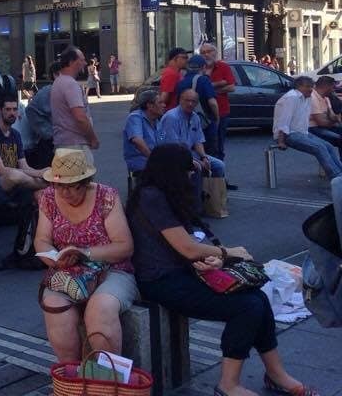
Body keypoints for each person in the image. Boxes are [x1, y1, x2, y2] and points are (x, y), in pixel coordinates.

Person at [126, 143, 319, 396]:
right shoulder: (152, 197)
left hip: (182, 271)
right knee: (246, 307)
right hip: (160, 281)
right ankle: (228, 385)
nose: (191, 176)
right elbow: (187, 248)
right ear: (173, 172)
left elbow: (192, 243)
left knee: (258, 298)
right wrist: (228, 253)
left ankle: (276, 374)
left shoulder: (163, 193)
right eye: (188, 171)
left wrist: (212, 259)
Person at [34, 148, 138, 361]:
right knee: (54, 306)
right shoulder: (48, 197)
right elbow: (41, 239)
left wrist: (85, 253)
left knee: (100, 310)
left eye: (72, 187)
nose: (65, 193)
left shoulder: (106, 196)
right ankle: (72, 378)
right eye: (59, 186)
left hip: (112, 269)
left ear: (86, 181)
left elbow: (124, 246)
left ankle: (106, 383)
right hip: (69, 272)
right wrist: (54, 257)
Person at [0, 96, 47, 270]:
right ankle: (49, 183)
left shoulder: (15, 135)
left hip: (16, 184)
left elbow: (24, 166)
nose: (12, 113)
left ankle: (33, 248)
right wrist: (40, 174)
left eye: (15, 109)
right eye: (7, 109)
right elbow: (1, 171)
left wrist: (40, 173)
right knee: (16, 176)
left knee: (39, 194)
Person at [273, 76, 342, 179]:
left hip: (302, 132)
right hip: (289, 134)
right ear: (299, 87)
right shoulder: (292, 97)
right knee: (320, 148)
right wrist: (281, 141)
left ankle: (340, 173)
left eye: (311, 86)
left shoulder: (307, 97)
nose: (311, 89)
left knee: (329, 146)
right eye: (308, 86)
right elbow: (284, 121)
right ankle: (336, 176)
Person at [50, 48, 100, 160]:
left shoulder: (58, 82)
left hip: (63, 144)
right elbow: (80, 117)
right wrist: (93, 138)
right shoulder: (70, 84)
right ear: (72, 62)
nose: (85, 63)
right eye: (82, 60)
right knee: (84, 177)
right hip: (75, 147)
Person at [177, 54, 221, 161]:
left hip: (186, 122)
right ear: (203, 67)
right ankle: (211, 176)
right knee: (210, 153)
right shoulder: (203, 80)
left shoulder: (181, 82)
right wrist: (217, 117)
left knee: (192, 154)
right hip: (205, 122)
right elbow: (212, 103)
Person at [198, 43, 236, 162]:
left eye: (209, 51)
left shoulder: (223, 67)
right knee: (202, 145)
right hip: (201, 113)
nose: (206, 55)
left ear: (215, 53)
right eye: (203, 52)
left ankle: (219, 177)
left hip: (221, 111)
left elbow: (231, 87)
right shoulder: (198, 68)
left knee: (218, 145)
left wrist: (209, 88)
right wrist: (221, 83)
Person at [25, 61, 62, 170]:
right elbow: (30, 110)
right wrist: (47, 132)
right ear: (56, 74)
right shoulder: (48, 91)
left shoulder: (67, 89)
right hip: (52, 143)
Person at [123, 89, 165, 175]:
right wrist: (155, 159)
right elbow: (137, 141)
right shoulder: (135, 117)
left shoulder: (157, 120)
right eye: (160, 103)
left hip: (156, 158)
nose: (164, 105)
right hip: (140, 160)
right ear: (149, 105)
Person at [308, 75, 342, 153]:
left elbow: (332, 116)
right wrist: (336, 120)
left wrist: (337, 117)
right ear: (326, 87)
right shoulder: (312, 97)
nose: (333, 90)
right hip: (312, 128)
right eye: (332, 88)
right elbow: (321, 122)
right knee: (340, 139)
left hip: (325, 126)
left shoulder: (326, 97)